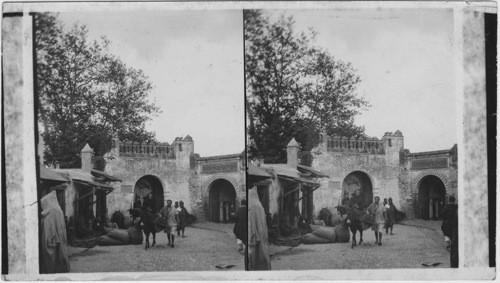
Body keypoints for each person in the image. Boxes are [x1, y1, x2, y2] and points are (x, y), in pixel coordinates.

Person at [40, 190, 70, 273]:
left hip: (51, 237)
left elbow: (49, 229)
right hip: (57, 236)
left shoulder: (51, 213)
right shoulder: (57, 210)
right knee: (59, 253)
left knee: (51, 254)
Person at [248, 186, 271, 270]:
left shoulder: (252, 209)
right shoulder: (261, 207)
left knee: (255, 255)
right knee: (263, 252)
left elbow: (252, 226)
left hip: (256, 236)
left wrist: (253, 236)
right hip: (263, 235)